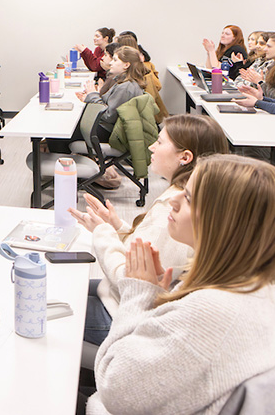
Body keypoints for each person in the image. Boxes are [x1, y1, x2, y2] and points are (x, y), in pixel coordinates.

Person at [85, 154, 275, 415]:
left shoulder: (212, 310)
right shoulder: (254, 287)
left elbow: (114, 388)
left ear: (222, 221)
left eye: (187, 198)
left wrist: (138, 295)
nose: (171, 200)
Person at [69, 114, 229, 345]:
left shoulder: (174, 210)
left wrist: (103, 233)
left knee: (50, 304)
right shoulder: (183, 196)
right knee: (62, 287)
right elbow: (150, 251)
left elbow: (131, 281)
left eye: (160, 142)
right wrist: (118, 226)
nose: (152, 146)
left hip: (124, 316)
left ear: (185, 157)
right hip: (124, 302)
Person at [76, 46, 147, 143]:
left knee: (63, 133)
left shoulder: (125, 87)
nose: (110, 63)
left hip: (108, 131)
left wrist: (92, 95)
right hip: (108, 127)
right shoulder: (123, 82)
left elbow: (108, 116)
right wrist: (90, 96)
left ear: (126, 65)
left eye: (115, 60)